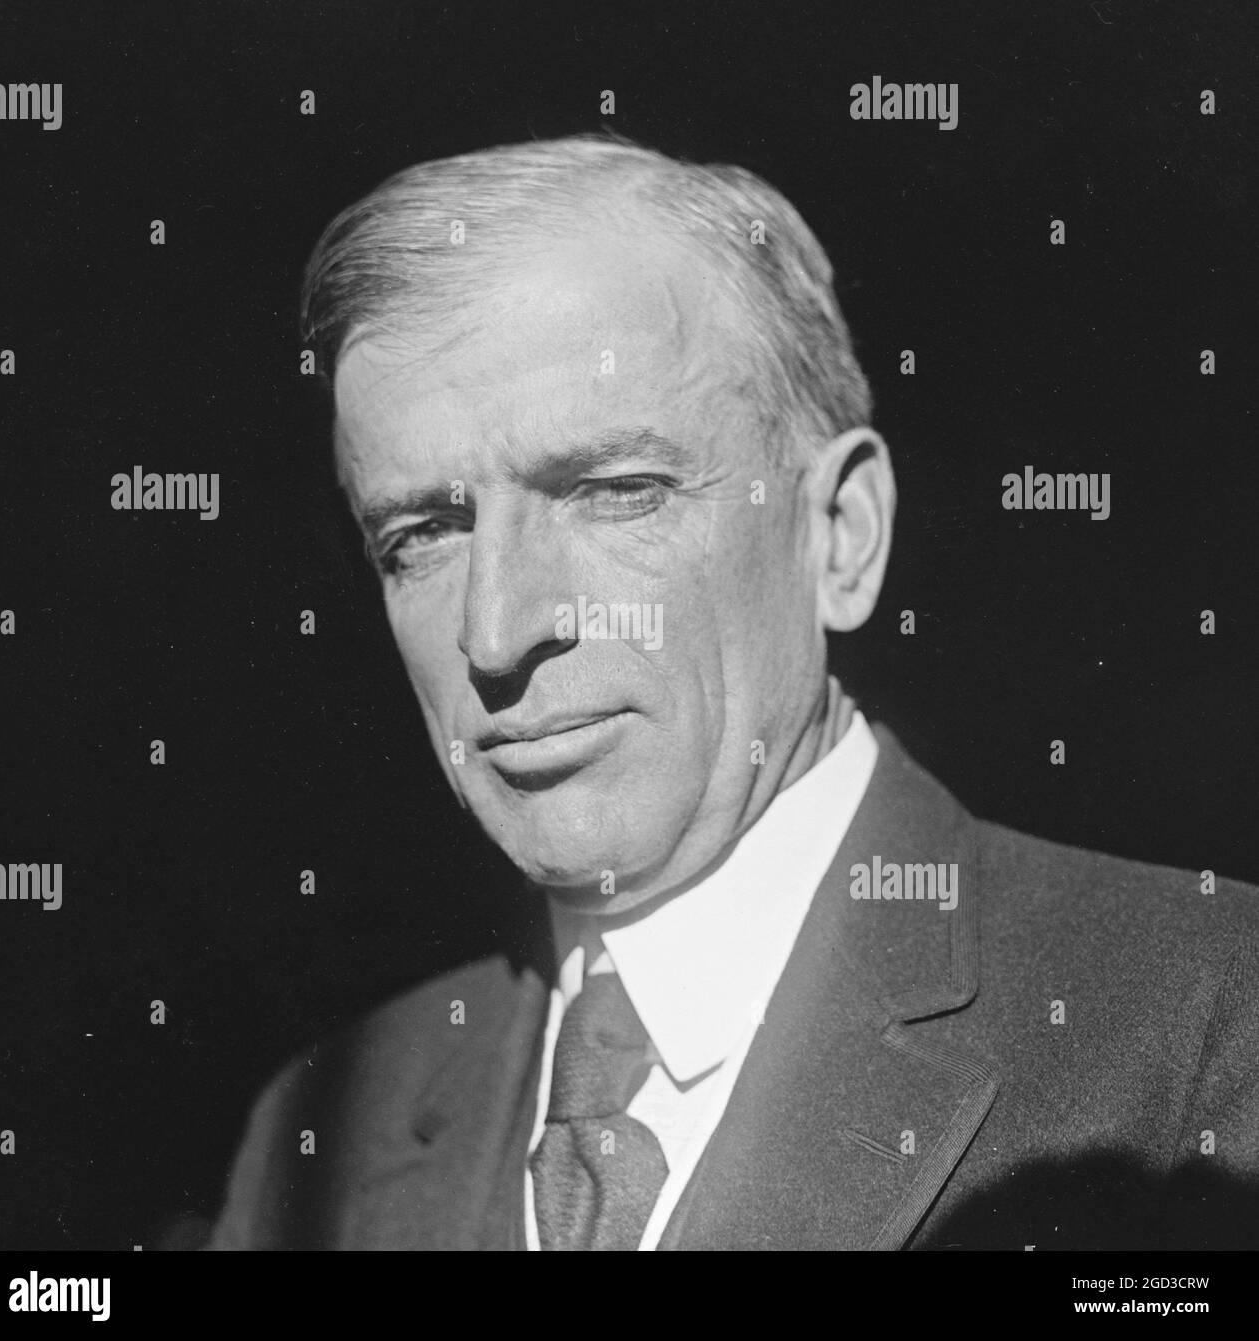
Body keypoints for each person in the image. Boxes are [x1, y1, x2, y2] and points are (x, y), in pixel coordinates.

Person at [209, 134, 1259, 1250]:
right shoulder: (318, 1136)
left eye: (615, 491)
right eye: (423, 533)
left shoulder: (1207, 1018)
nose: (497, 630)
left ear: (839, 534)